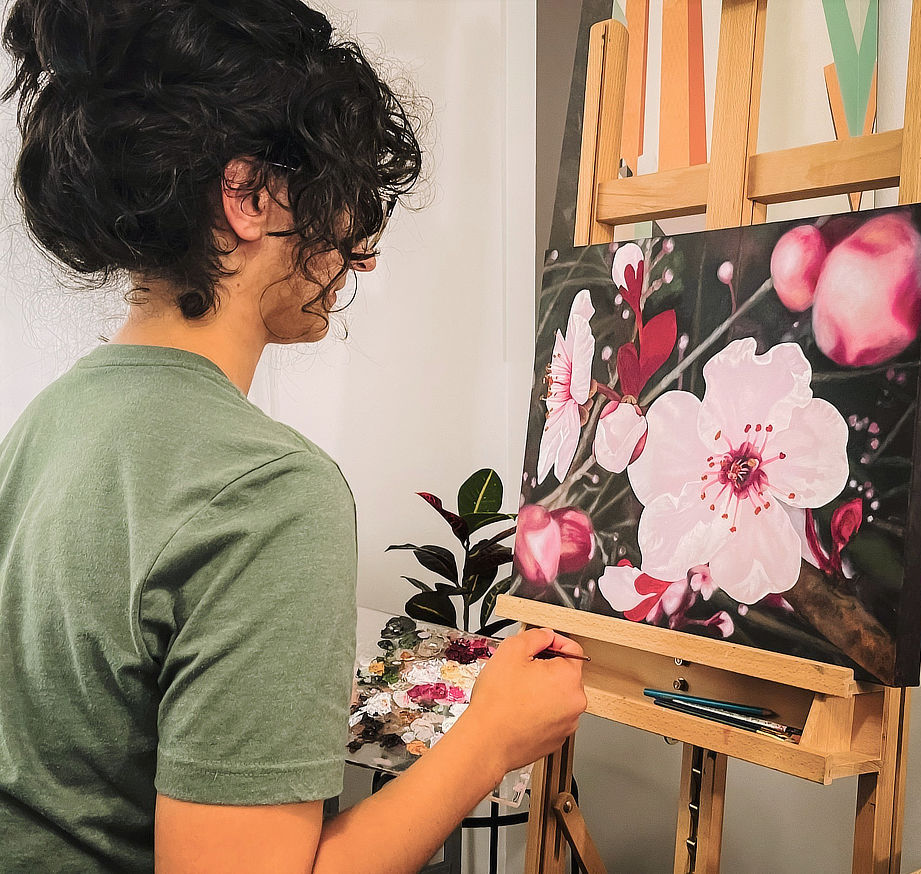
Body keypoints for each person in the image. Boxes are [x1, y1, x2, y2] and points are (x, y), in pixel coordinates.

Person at [0, 1, 588, 872]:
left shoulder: (51, 418)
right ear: (249, 197)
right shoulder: (270, 492)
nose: (362, 251)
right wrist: (491, 739)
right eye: (348, 201)